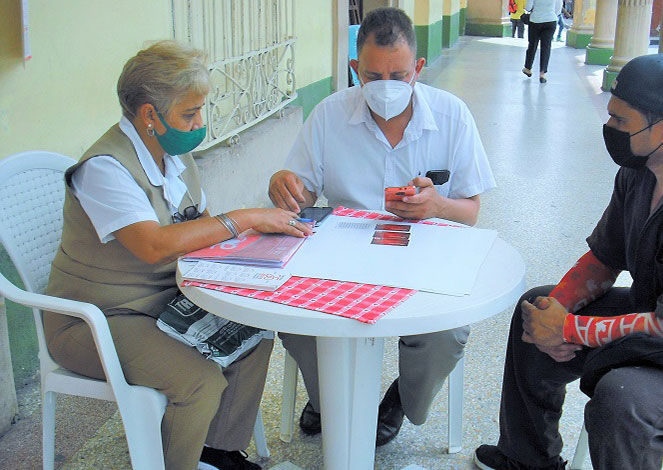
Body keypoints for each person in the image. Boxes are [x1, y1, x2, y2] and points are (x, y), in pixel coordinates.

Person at [474, 52, 663, 470]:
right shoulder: (642, 168)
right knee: (534, 307)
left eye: (620, 121)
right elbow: (605, 258)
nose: (609, 129)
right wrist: (557, 311)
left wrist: (571, 330)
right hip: (655, 313)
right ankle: (528, 458)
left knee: (623, 398)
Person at [44, 41, 312, 470]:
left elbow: (199, 227)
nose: (199, 123)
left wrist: (262, 253)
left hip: (167, 301)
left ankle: (216, 452)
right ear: (150, 115)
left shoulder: (174, 156)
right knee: (197, 382)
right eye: (190, 113)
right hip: (98, 318)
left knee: (253, 336)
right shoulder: (104, 169)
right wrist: (243, 218)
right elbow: (153, 246)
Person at [267, 7, 496, 447]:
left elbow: (470, 211)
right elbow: (301, 196)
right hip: (342, 252)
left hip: (423, 253)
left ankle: (402, 401)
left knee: (446, 331)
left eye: (400, 74)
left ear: (419, 69)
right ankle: (327, 396)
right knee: (293, 316)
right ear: (355, 70)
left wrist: (436, 205)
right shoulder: (329, 115)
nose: (387, 87)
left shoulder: (451, 116)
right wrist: (286, 187)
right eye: (374, 76)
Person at [522, 0, 564, 83]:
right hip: (550, 20)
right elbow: (558, 9)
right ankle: (542, 74)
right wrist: (549, 13)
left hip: (535, 21)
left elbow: (528, 7)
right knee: (546, 47)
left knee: (532, 45)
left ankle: (528, 68)